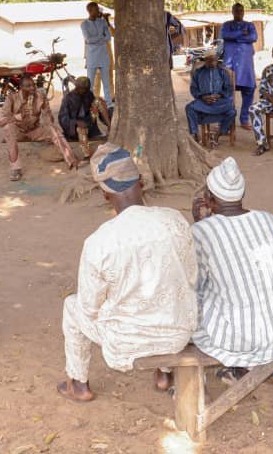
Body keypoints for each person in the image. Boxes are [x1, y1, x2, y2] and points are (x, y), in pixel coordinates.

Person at [56, 144, 197, 403]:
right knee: (168, 292)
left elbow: (88, 308)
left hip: (125, 345)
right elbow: (191, 278)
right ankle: (164, 374)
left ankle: (78, 383)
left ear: (104, 193)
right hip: (178, 335)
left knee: (71, 306)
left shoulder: (100, 242)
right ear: (141, 181)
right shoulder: (174, 220)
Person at [191, 158, 273, 371]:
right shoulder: (269, 220)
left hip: (236, 337)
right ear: (241, 195)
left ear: (208, 198)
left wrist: (199, 224)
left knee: (192, 295)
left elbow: (193, 285)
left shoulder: (201, 232)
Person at [0, 73, 79, 180]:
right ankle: (15, 169)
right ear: (21, 87)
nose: (32, 88)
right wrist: (17, 116)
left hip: (34, 130)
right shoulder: (12, 98)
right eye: (28, 86)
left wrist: (49, 122)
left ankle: (71, 161)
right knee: (8, 128)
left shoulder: (40, 97)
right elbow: (1, 122)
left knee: (53, 130)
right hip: (18, 132)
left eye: (33, 85)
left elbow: (48, 117)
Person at [184, 51, 236, 149]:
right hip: (204, 102)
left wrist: (219, 95)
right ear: (205, 61)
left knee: (232, 111)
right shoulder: (198, 72)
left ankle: (217, 135)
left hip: (219, 102)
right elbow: (193, 89)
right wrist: (203, 97)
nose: (213, 63)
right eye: (210, 60)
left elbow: (228, 88)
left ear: (217, 60)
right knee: (189, 108)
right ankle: (196, 135)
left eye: (214, 60)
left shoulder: (222, 72)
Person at [221, 3, 258, 130]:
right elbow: (226, 35)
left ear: (244, 12)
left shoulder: (250, 25)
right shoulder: (226, 25)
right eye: (236, 10)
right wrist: (242, 34)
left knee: (249, 90)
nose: (239, 12)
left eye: (241, 10)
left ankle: (244, 119)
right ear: (232, 11)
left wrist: (236, 38)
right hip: (230, 65)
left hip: (246, 66)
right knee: (228, 93)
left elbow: (253, 37)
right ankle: (228, 120)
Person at [58, 76, 111, 160]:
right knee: (82, 128)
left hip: (88, 121)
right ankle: (86, 155)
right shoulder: (68, 98)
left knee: (99, 100)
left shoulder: (88, 94)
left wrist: (91, 117)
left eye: (86, 89)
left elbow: (94, 106)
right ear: (77, 87)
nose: (85, 91)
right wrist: (76, 122)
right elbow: (62, 118)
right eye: (83, 89)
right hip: (74, 128)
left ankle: (110, 126)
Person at [81, 2, 113, 107]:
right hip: (92, 57)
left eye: (98, 9)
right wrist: (101, 37)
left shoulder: (103, 22)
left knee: (106, 82)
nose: (98, 11)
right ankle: (90, 103)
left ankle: (108, 103)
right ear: (90, 11)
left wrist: (97, 39)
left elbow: (108, 37)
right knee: (90, 82)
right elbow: (89, 40)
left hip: (103, 55)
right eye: (96, 9)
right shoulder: (84, 24)